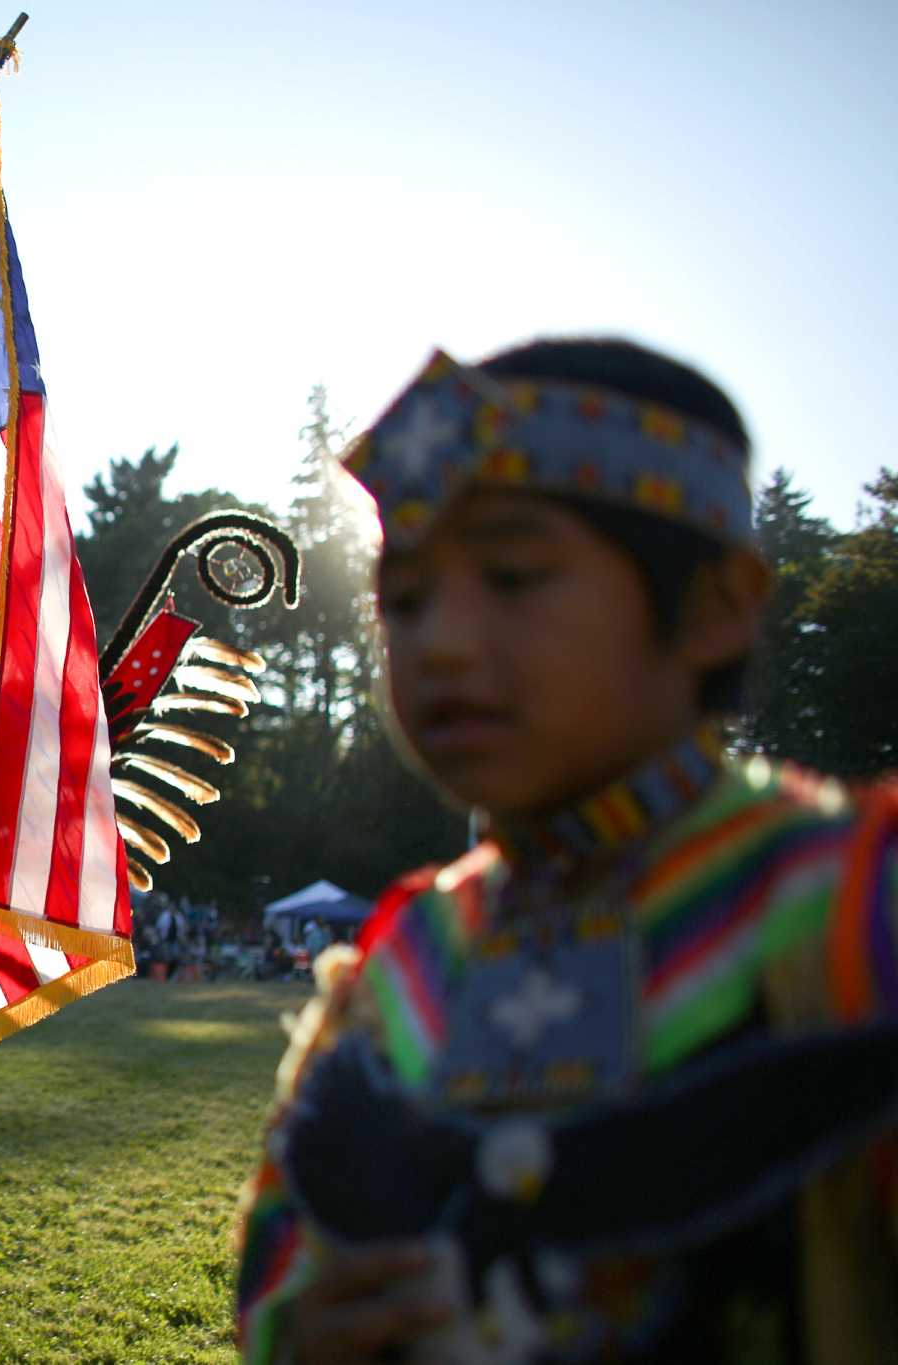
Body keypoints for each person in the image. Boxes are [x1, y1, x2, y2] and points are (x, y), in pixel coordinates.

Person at [232, 338, 898, 1364]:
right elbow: (288, 1256)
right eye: (401, 599)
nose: (438, 640)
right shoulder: (407, 949)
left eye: (512, 574)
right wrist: (298, 1334)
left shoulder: (853, 899)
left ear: (717, 606)